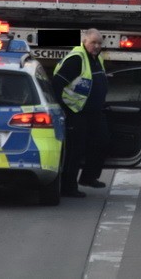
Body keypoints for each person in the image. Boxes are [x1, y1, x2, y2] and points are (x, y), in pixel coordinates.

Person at [52, 29, 110, 197]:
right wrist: (63, 110)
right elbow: (56, 84)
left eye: (99, 43)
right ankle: (68, 187)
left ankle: (88, 178)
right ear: (84, 41)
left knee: (102, 141)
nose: (97, 46)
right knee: (74, 151)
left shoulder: (96, 58)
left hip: (94, 111)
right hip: (75, 112)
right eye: (93, 43)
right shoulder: (76, 59)